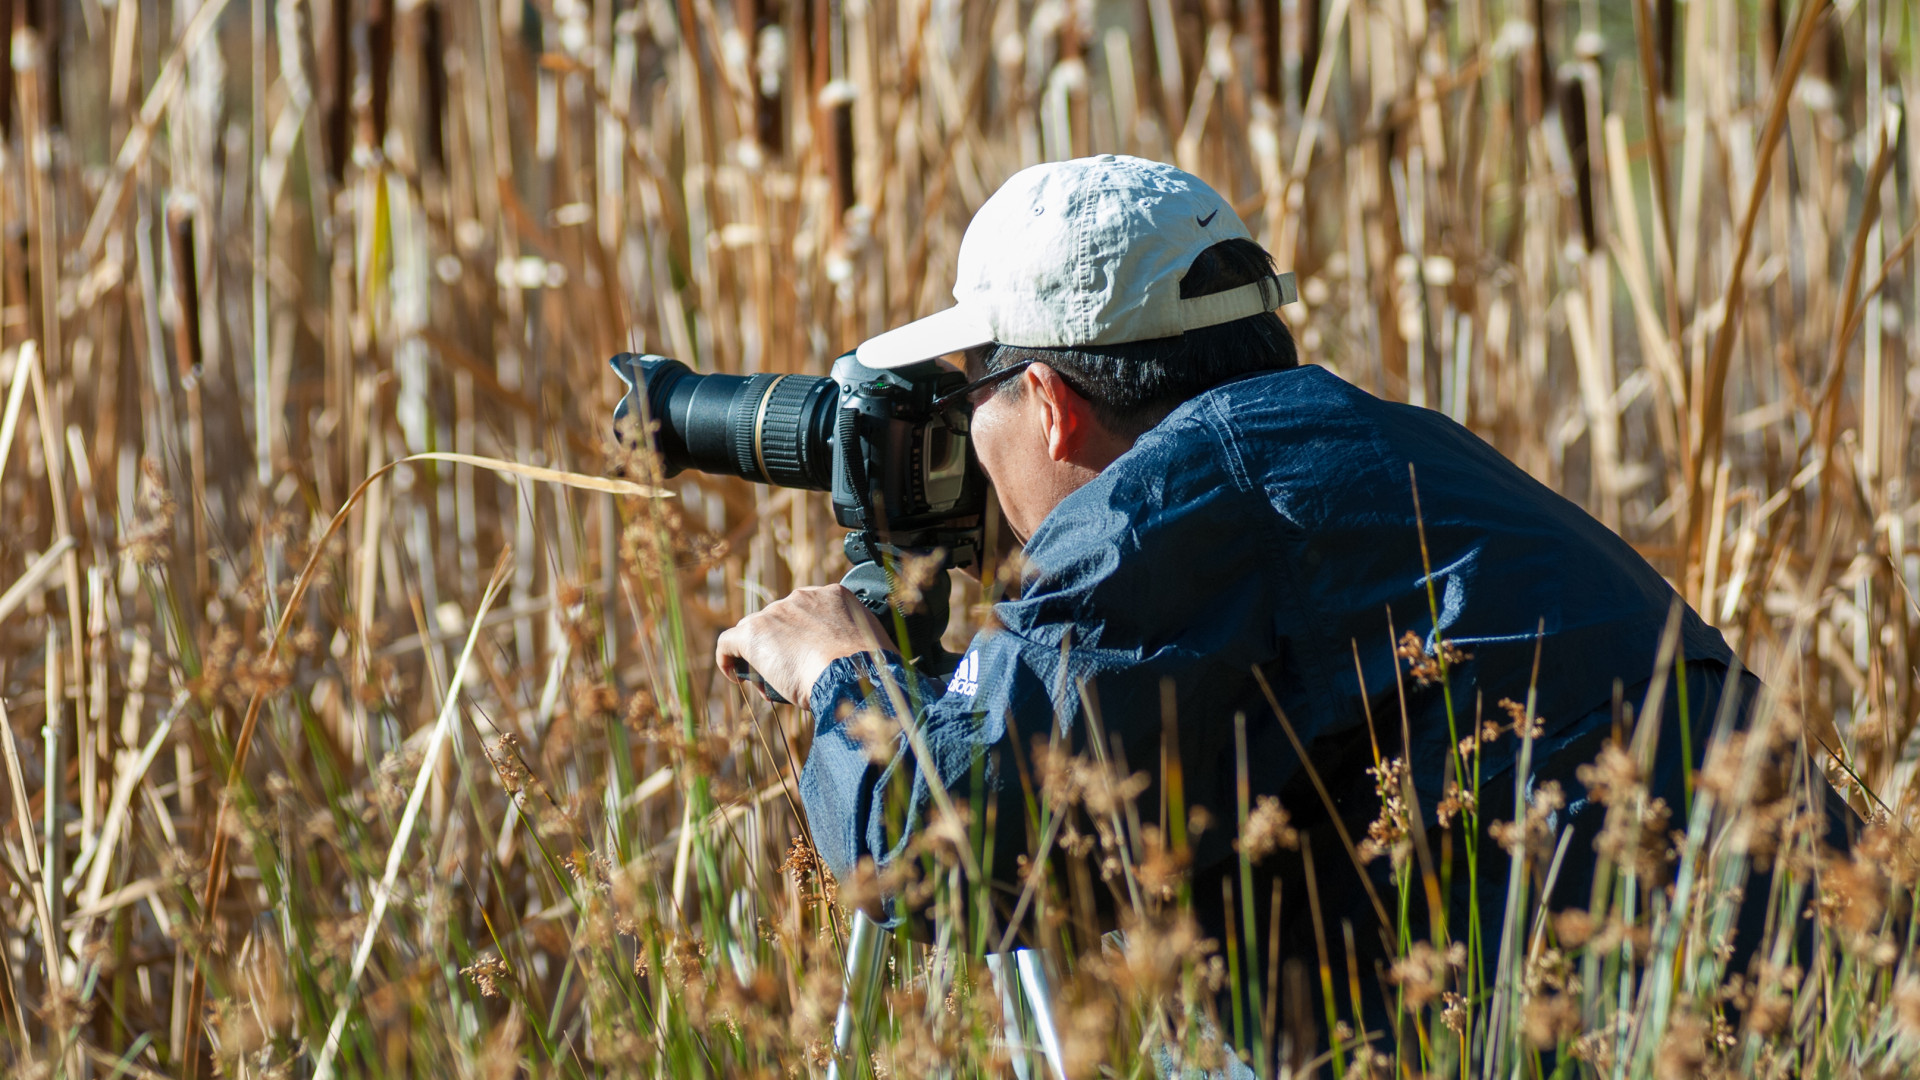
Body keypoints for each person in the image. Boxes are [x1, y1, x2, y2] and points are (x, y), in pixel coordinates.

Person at [713, 155, 1842, 1060]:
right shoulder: (1392, 448)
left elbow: (938, 849)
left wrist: (842, 671)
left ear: (1049, 405)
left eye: (974, 400)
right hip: (1826, 1000)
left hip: (1611, 1024)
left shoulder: (1163, 508)